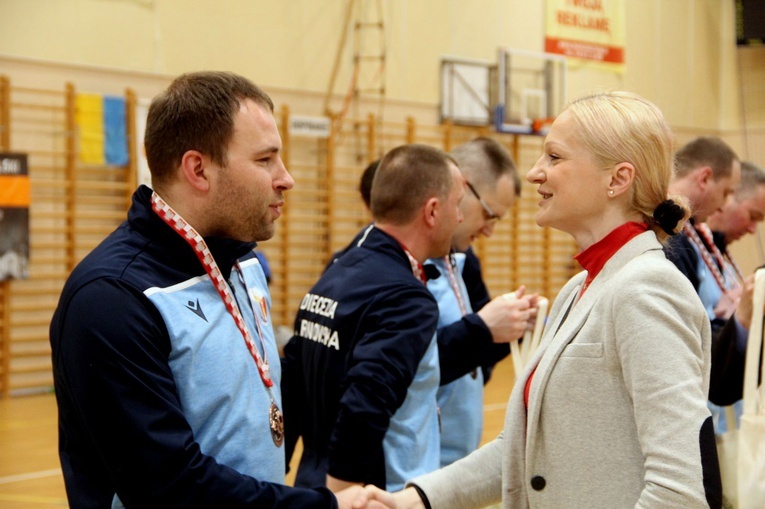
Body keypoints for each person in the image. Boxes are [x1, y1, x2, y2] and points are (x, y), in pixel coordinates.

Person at [362, 91, 722, 508]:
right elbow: (521, 447)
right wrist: (415, 500)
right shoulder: (580, 289)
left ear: (617, 179)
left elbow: (679, 490)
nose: (535, 173)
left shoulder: (647, 289)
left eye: (554, 157)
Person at [49, 71, 387, 509]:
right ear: (199, 169)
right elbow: (169, 487)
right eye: (266, 160)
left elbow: (255, 410)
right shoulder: (111, 298)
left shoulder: (243, 262)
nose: (286, 179)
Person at [281, 144, 465, 493]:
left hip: (314, 481)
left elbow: (292, 380)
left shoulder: (338, 272)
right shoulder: (406, 299)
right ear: (432, 211)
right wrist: (344, 498)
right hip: (376, 495)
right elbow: (364, 405)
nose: (459, 218)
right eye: (457, 205)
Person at [426, 137, 536, 467]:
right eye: (489, 214)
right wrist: (484, 328)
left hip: (453, 458)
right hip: (414, 465)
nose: (489, 231)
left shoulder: (464, 259)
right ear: (460, 187)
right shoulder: (398, 265)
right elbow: (406, 367)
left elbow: (475, 356)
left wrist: (513, 326)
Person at [696, 160, 765, 431]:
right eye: (753, 216)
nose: (752, 230)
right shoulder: (687, 251)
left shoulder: (718, 252)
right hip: (707, 409)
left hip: (730, 410)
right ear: (728, 196)